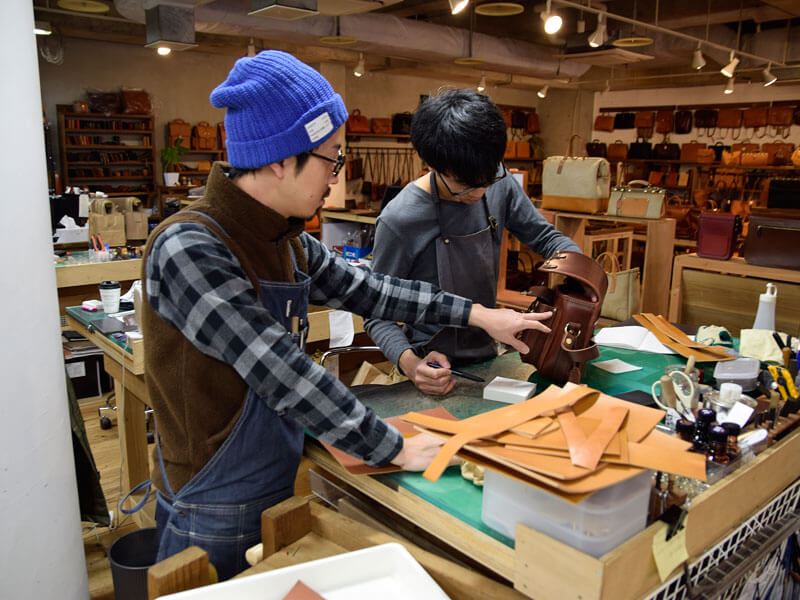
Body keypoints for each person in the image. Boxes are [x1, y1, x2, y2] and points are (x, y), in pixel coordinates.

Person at [140, 51, 553, 580]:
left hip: (274, 478)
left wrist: (479, 315)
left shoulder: (286, 239)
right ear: (278, 159)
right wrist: (395, 448)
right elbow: (282, 373)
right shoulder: (191, 246)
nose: (336, 178)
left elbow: (375, 291)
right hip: (212, 503)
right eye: (331, 159)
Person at [364, 89, 581, 396]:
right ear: (433, 165)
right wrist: (412, 365)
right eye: (464, 186)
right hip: (433, 367)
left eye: (487, 179)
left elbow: (545, 237)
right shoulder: (400, 219)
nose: (480, 191)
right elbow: (376, 313)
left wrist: (582, 273)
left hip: (490, 357)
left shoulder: (497, 181)